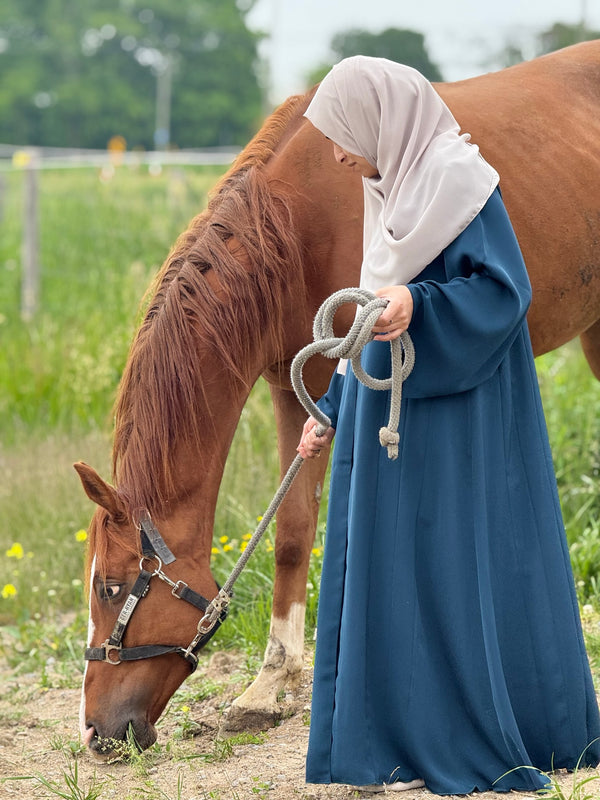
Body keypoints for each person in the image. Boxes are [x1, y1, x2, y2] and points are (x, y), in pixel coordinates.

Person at [297, 56, 600, 795]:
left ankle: (459, 731)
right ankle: (393, 738)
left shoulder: (461, 183)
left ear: (383, 121)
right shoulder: (389, 191)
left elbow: (504, 294)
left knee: (446, 565)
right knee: (391, 569)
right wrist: (332, 407)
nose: (338, 154)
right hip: (388, 415)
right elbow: (371, 302)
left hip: (454, 417)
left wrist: (420, 308)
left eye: (345, 135)